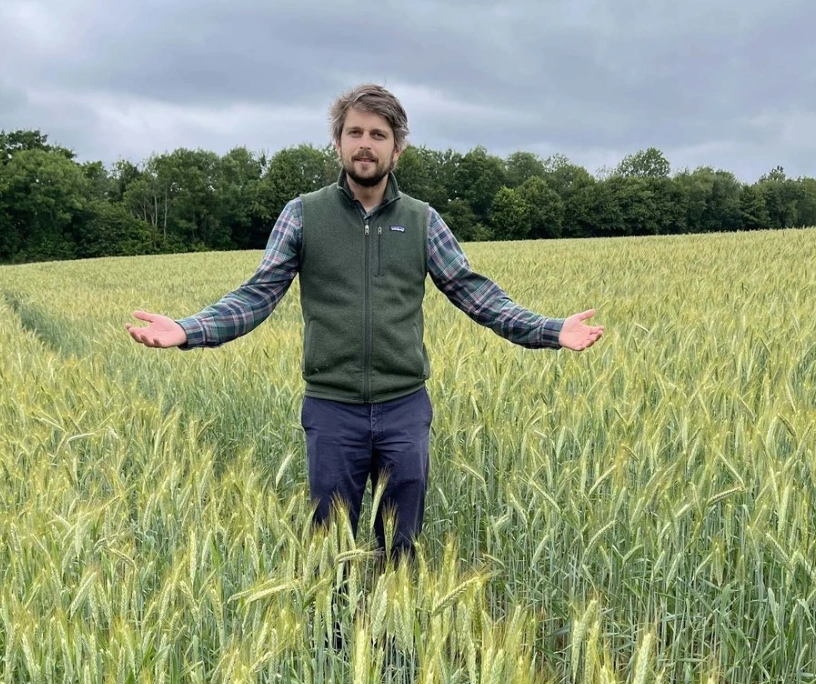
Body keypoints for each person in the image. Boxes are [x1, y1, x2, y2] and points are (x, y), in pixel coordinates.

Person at [126, 83, 604, 563]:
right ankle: (333, 640)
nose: (365, 144)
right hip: (332, 411)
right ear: (337, 143)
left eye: (378, 134)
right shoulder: (303, 215)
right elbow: (258, 293)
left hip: (404, 410)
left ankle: (394, 639)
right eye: (354, 132)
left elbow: (473, 291)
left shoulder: (422, 220)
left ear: (397, 148)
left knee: (401, 547)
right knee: (328, 545)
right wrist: (189, 329)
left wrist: (549, 329)